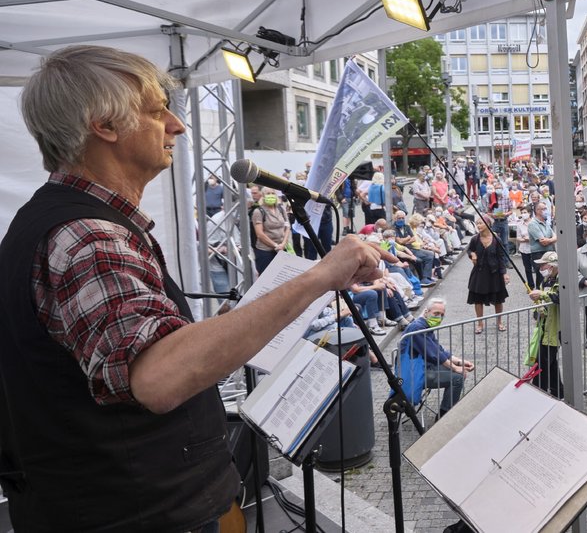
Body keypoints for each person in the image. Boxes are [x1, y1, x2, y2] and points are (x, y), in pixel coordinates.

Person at [0, 45, 384, 532]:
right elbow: (157, 377)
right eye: (157, 111)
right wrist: (320, 276)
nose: (176, 126)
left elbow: (120, 354)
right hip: (134, 513)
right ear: (105, 125)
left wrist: (226, 327)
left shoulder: (64, 222)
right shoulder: (90, 237)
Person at [404, 299, 475, 417]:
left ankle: (446, 411)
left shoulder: (424, 325)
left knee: (459, 373)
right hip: (415, 373)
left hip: (424, 366)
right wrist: (455, 368)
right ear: (426, 312)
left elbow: (438, 350)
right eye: (436, 314)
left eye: (442, 315)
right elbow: (434, 354)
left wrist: (459, 362)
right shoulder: (418, 328)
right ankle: (444, 415)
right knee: (457, 378)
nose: (439, 318)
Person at [466, 216, 511, 334]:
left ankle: (499, 322)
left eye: (480, 223)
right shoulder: (475, 239)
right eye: (477, 224)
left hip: (494, 273)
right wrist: (472, 255)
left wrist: (504, 273)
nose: (478, 225)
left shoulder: (497, 239)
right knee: (478, 300)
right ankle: (480, 323)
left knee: (498, 300)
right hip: (479, 273)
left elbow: (501, 257)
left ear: (487, 224)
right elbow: (469, 250)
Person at [528, 252, 564, 397]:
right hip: (545, 327)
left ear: (552, 265)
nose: (540, 268)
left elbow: (561, 297)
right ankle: (558, 392)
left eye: (543, 265)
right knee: (550, 362)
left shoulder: (562, 279)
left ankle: (538, 393)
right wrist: (539, 309)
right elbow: (543, 302)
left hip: (556, 328)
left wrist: (542, 295)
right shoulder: (547, 280)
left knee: (543, 363)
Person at [250, 188, 291, 275]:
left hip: (281, 248)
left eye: (273, 193)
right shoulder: (259, 211)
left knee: (282, 276)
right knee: (266, 276)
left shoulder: (280, 209)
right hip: (265, 251)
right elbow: (260, 234)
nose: (271, 195)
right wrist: (275, 245)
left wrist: (283, 243)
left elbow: (287, 226)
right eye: (268, 193)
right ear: (263, 196)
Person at [527, 201, 557, 288]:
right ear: (537, 210)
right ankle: (540, 296)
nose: (546, 211)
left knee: (551, 276)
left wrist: (550, 239)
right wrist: (552, 239)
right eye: (544, 209)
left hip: (550, 252)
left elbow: (556, 236)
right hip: (539, 253)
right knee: (542, 277)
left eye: (546, 208)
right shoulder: (533, 224)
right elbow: (543, 242)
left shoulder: (546, 223)